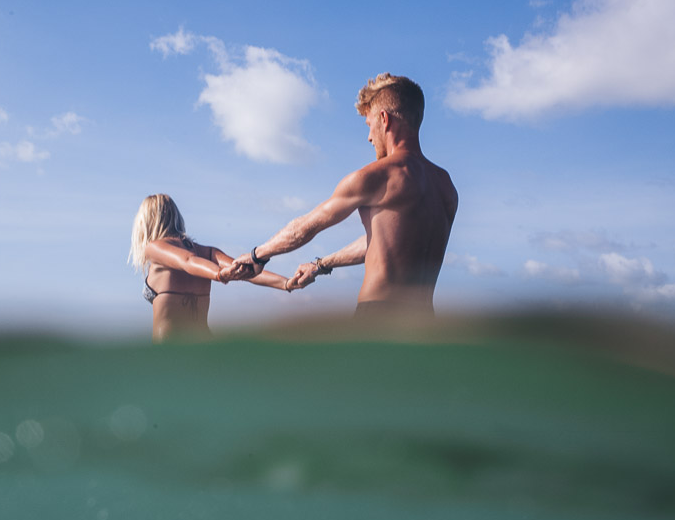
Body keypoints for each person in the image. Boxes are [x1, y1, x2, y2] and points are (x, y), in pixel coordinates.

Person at [220, 73, 458, 319]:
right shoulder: (446, 186)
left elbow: (303, 229)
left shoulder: (376, 176)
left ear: (384, 119)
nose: (369, 137)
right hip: (425, 324)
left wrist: (257, 255)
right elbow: (382, 242)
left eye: (369, 125)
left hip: (379, 319)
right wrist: (321, 264)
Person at [129, 194, 293, 341]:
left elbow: (187, 261)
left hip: (170, 350)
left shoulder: (154, 248)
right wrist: (286, 283)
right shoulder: (206, 252)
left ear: (146, 222)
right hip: (204, 345)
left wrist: (220, 275)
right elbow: (248, 272)